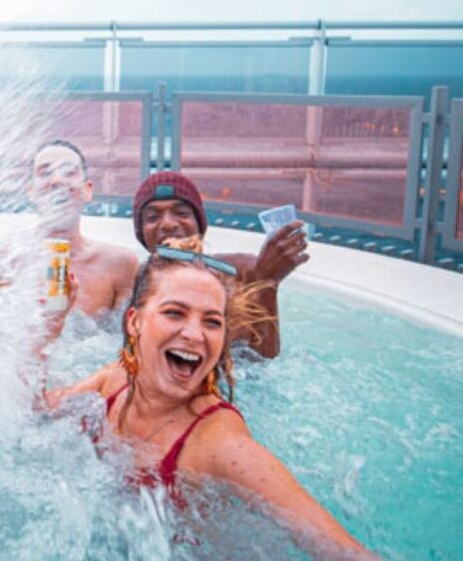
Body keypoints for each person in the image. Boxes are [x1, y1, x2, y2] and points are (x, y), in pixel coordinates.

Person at [46, 239, 371, 558]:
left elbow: (344, 551)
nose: (194, 333)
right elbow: (38, 409)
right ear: (135, 322)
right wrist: (48, 329)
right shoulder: (116, 379)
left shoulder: (220, 446)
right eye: (175, 313)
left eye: (212, 321)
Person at [132, 171, 308, 358]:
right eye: (152, 218)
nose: (167, 224)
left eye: (182, 213)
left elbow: (262, 365)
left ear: (199, 225)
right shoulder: (144, 278)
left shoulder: (240, 271)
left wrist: (268, 283)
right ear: (142, 234)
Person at [30, 139, 139, 319]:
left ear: (87, 190)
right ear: (32, 192)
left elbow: (128, 340)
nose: (57, 180)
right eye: (45, 172)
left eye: (68, 172)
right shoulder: (6, 263)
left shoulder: (119, 264)